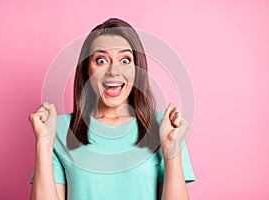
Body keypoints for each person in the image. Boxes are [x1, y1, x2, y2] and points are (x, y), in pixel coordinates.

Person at [29, 18, 195, 200]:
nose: (113, 71)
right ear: (87, 70)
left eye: (125, 60)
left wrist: (171, 149)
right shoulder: (58, 130)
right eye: (101, 60)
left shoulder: (165, 128)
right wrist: (44, 143)